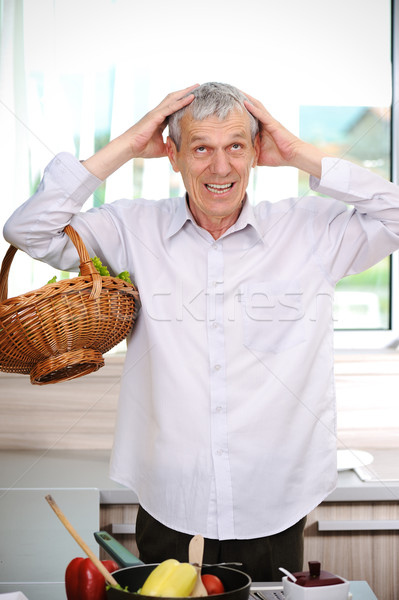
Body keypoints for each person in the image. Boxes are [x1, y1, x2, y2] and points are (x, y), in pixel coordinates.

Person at [4, 82, 399, 581]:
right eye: (201, 148)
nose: (220, 167)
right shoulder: (132, 227)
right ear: (173, 155)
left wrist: (302, 155)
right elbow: (28, 230)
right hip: (168, 494)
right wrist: (126, 145)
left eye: (236, 145)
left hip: (273, 498)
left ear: (257, 152)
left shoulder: (312, 230)